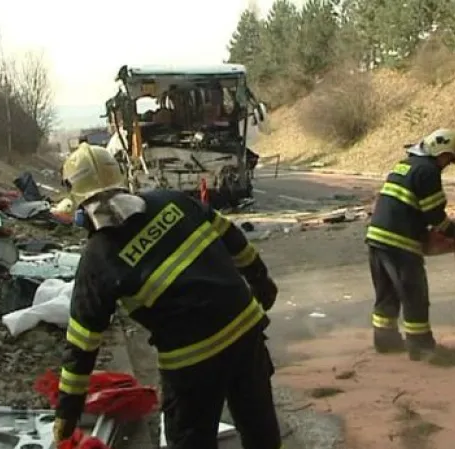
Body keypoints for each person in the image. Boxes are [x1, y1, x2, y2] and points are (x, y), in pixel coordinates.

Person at [52, 144, 283, 449]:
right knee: (260, 428)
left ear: (80, 206)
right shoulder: (172, 201)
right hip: (245, 329)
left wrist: (66, 417)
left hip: (191, 360)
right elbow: (229, 234)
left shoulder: (98, 260)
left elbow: (82, 347)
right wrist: (261, 280)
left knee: (190, 439)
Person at [365, 128, 455, 359]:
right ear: (440, 152)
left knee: (387, 293)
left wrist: (428, 236)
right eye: (449, 159)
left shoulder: (405, 165)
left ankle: (385, 341)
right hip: (400, 242)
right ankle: (420, 347)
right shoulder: (428, 171)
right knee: (414, 294)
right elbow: (433, 213)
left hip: (376, 238)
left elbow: (408, 207)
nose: (447, 164)